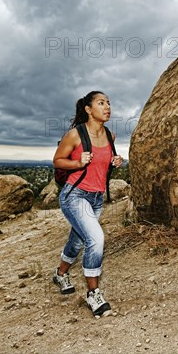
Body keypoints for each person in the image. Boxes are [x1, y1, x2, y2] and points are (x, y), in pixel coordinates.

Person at [52, 91, 123, 317]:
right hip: (74, 195)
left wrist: (116, 161)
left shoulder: (110, 135)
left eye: (109, 103)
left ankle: (60, 274)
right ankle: (94, 294)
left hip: (96, 198)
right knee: (95, 238)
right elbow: (57, 160)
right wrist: (76, 162)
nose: (107, 107)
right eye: (101, 103)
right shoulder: (75, 135)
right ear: (88, 109)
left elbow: (105, 163)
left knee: (78, 239)